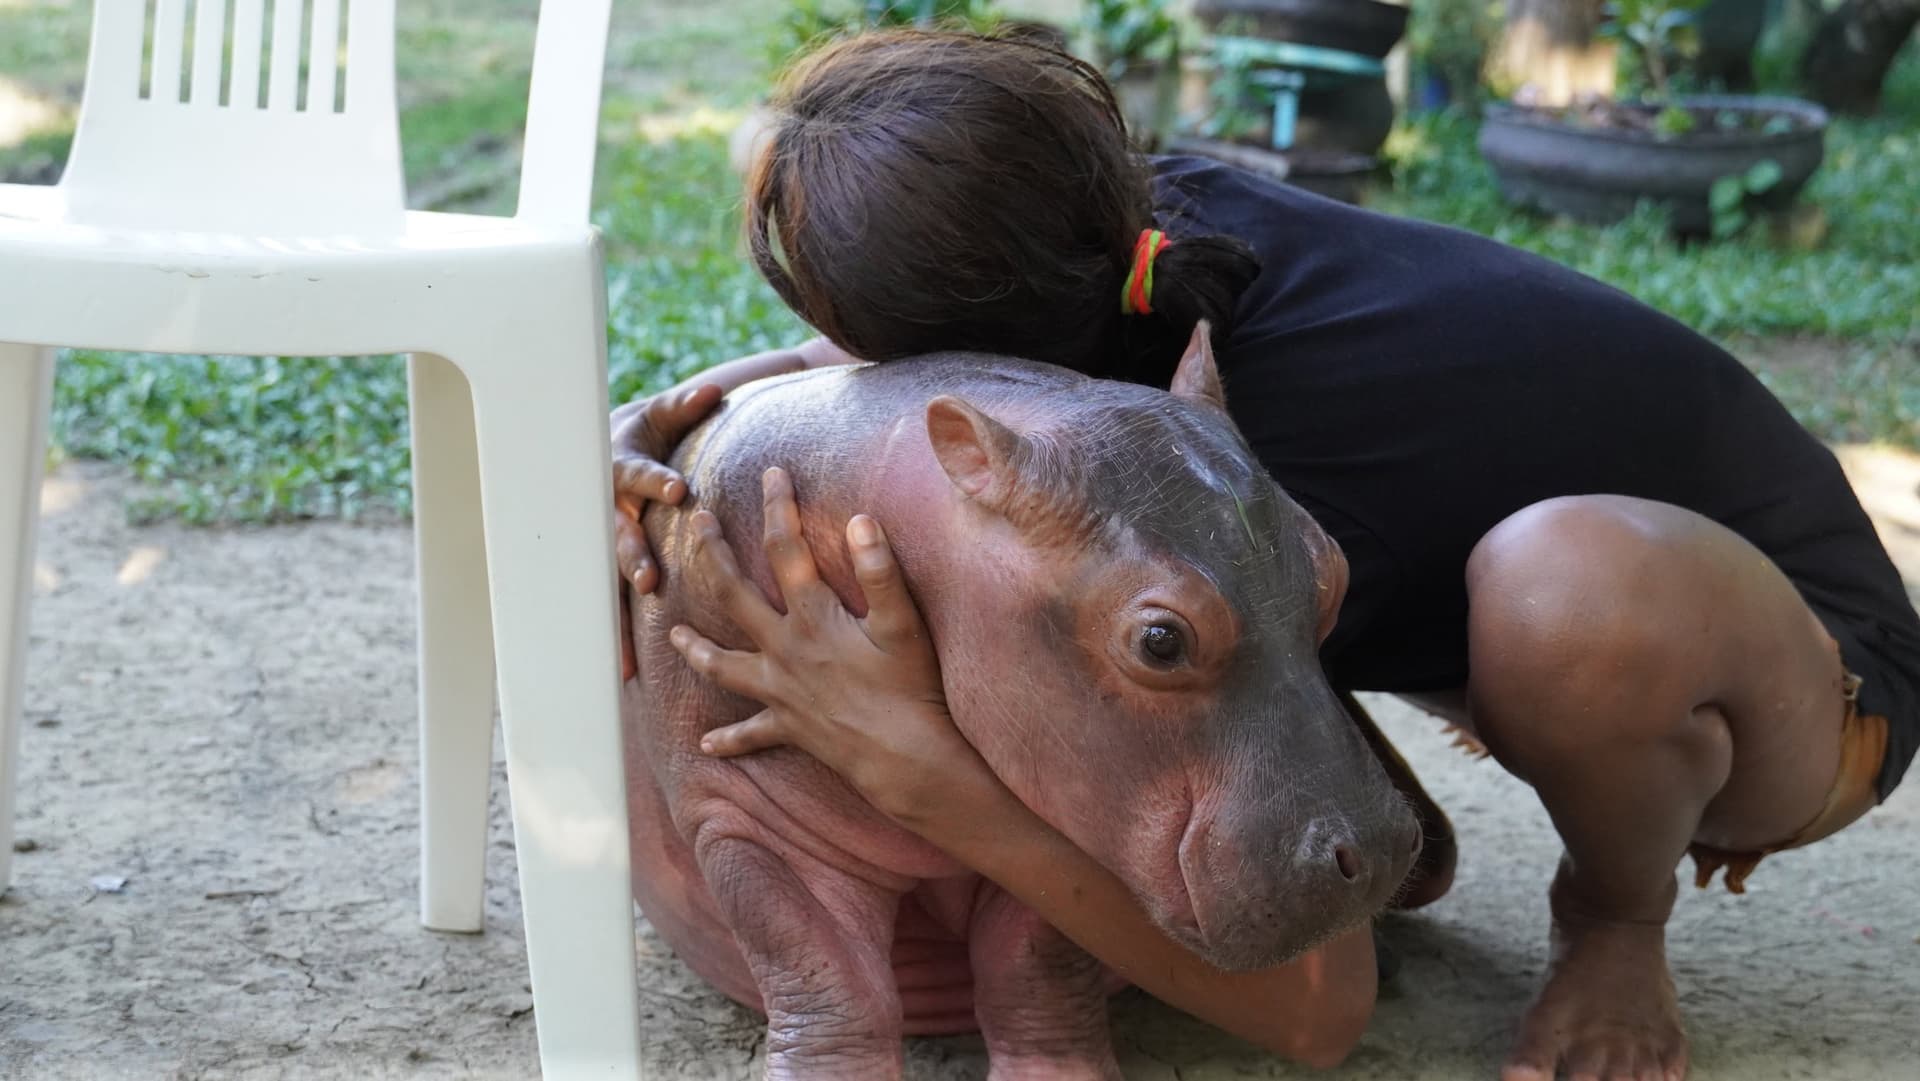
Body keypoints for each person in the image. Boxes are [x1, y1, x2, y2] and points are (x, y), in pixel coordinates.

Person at [608, 29, 1920, 1081]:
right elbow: (855, 374)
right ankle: (1453, 682)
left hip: (1795, 683)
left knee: (1560, 587)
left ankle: (1616, 920)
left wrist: (925, 767)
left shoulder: (1230, 452)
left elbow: (1316, 1009)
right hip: (1526, 590)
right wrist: (653, 422)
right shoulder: (1138, 245)